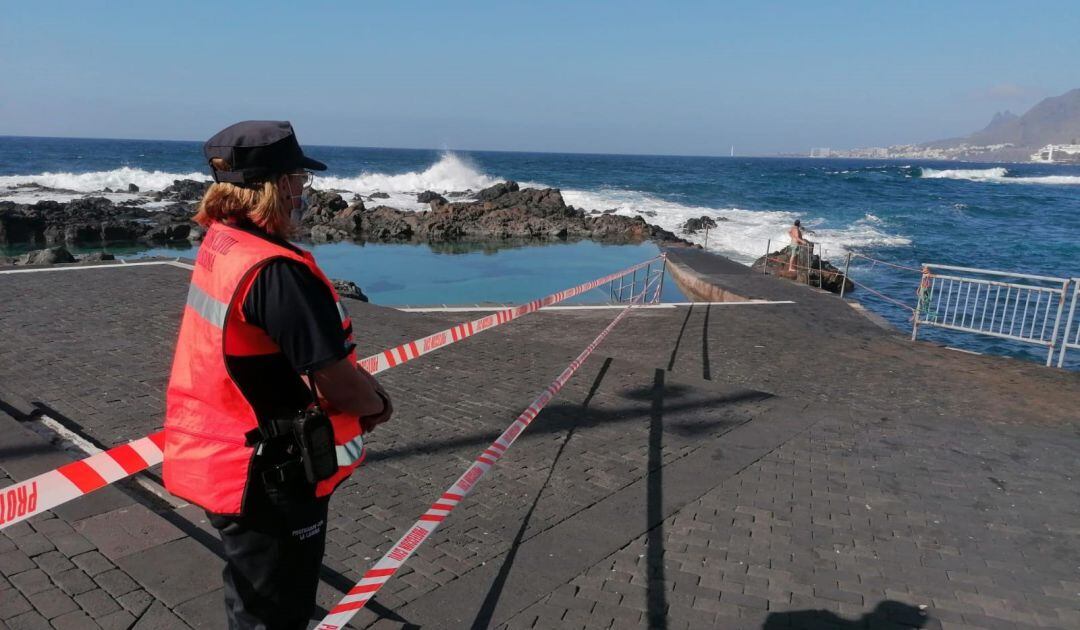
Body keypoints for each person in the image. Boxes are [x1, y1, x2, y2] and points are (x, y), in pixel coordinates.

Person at [162, 121, 393, 629]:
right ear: (277, 186)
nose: (303, 192)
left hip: (223, 457)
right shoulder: (276, 272)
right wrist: (376, 406)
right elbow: (332, 377)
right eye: (298, 180)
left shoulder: (222, 244)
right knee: (277, 612)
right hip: (268, 474)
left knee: (252, 602)